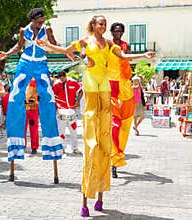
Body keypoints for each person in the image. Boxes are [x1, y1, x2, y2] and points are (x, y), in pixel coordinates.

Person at [37, 15, 155, 217]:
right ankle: (87, 195)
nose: (103, 26)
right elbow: (65, 51)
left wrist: (143, 55)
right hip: (91, 84)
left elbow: (123, 56)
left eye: (105, 24)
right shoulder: (85, 41)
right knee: (91, 141)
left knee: (104, 137)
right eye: (100, 24)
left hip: (105, 86)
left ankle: (100, 191)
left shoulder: (108, 43)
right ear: (93, 25)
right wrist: (47, 45)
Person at [0, 8, 63, 163]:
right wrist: (7, 54)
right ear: (33, 20)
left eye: (42, 22)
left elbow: (54, 44)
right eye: (39, 22)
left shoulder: (47, 30)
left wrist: (67, 51)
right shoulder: (23, 31)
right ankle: (15, 143)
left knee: (48, 96)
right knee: (15, 96)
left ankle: (51, 142)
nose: (41, 24)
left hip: (40, 64)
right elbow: (19, 47)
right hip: (25, 63)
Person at [107, 22, 135, 178]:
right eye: (116, 31)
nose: (119, 33)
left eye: (121, 31)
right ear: (112, 32)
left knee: (125, 125)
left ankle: (118, 156)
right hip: (111, 86)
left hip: (125, 85)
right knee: (115, 125)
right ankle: (113, 160)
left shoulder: (126, 45)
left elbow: (127, 61)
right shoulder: (107, 44)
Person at [53, 70, 82, 154]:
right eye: (60, 78)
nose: (61, 80)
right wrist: (57, 107)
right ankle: (62, 148)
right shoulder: (56, 84)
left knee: (73, 130)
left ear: (65, 76)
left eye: (62, 78)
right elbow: (54, 97)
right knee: (61, 131)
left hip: (71, 110)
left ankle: (75, 148)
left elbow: (80, 91)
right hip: (61, 111)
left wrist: (78, 102)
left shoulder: (73, 82)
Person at [24, 78, 39, 154]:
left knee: (33, 127)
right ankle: (23, 145)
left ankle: (34, 146)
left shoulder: (34, 79)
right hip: (24, 107)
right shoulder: (22, 79)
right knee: (23, 127)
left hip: (33, 107)